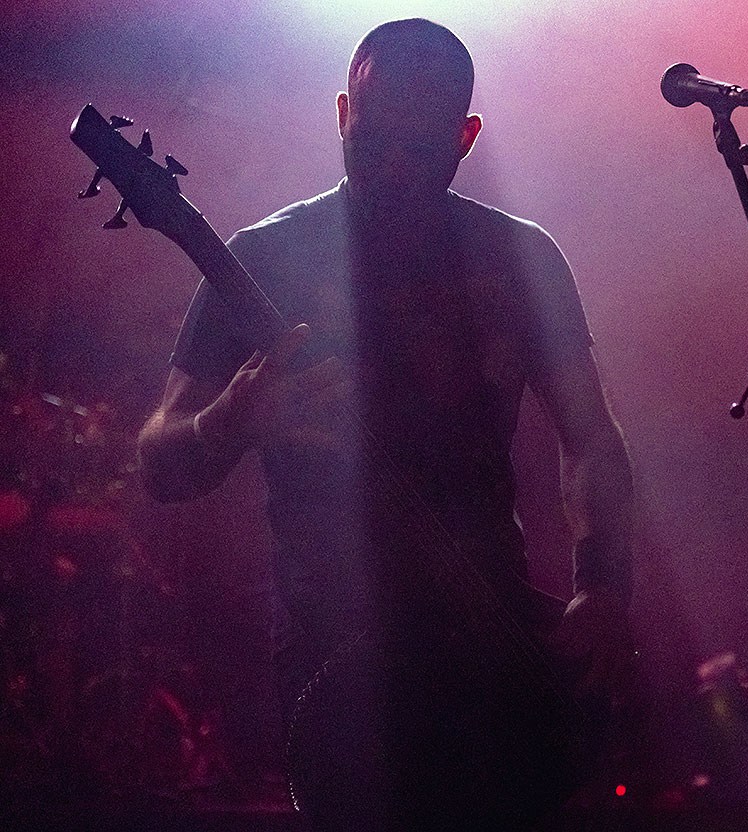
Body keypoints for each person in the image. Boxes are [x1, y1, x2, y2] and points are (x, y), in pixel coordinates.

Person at [137, 18, 633, 830]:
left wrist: (604, 585)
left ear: (466, 138)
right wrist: (231, 420)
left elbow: (593, 439)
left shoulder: (517, 258)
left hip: (489, 634)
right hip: (338, 655)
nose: (397, 164)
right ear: (343, 116)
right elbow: (158, 459)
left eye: (423, 145)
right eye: (376, 139)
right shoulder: (265, 256)